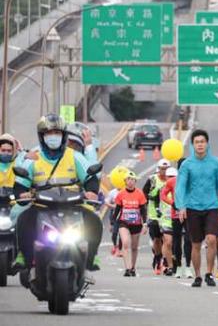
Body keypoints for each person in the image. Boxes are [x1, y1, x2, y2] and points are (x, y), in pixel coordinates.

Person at [13, 115, 103, 277]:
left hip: (73, 207)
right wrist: (22, 193)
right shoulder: (33, 157)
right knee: (23, 220)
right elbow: (20, 184)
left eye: (57, 132)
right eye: (48, 133)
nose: (53, 136)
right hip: (41, 207)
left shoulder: (74, 156)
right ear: (42, 136)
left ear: (63, 135)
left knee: (94, 221)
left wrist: (92, 192)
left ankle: (91, 257)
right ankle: (23, 255)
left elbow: (90, 178)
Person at [174, 129, 218, 288]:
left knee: (212, 239)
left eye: (202, 142)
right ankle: (198, 275)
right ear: (193, 145)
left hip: (212, 207)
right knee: (196, 244)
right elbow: (180, 186)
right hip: (192, 208)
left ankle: (209, 273)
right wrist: (181, 206)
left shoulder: (216, 164)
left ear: (207, 144)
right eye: (197, 142)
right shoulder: (187, 165)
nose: (200, 145)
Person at [114, 172, 149, 277]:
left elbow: (143, 210)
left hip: (136, 223)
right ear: (125, 181)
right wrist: (112, 223)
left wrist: (145, 224)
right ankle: (128, 268)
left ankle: (133, 267)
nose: (130, 181)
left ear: (135, 181)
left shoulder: (140, 193)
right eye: (128, 179)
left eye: (132, 179)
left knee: (134, 247)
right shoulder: (121, 194)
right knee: (125, 243)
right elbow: (117, 209)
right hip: (124, 222)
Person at [143, 160, 170, 275]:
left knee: (166, 239)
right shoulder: (152, 179)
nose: (164, 171)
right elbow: (144, 195)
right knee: (157, 239)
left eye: (166, 168)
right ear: (158, 168)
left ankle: (165, 261)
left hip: (167, 214)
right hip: (154, 215)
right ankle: (157, 258)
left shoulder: (172, 180)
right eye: (162, 168)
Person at [158, 166, 177, 276]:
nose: (171, 179)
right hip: (165, 220)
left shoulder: (179, 188)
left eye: (173, 177)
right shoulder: (162, 189)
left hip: (178, 218)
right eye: (169, 177)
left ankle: (174, 262)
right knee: (168, 242)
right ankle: (169, 266)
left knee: (176, 244)